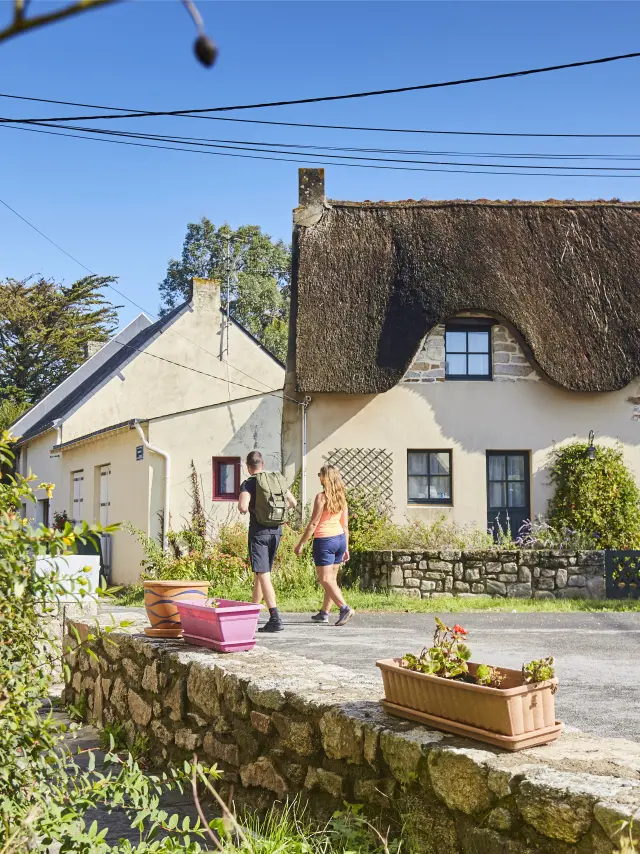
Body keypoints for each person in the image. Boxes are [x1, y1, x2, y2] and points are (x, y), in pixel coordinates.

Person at [238, 450, 296, 633]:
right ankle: (252, 616)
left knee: (263, 574)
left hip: (259, 533)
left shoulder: (248, 483)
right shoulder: (275, 480)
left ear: (248, 467)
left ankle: (275, 617)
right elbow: (293, 502)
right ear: (262, 465)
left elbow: (242, 507)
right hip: (276, 532)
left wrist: (251, 508)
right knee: (260, 574)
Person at [294, 464, 355, 627]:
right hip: (340, 539)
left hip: (325, 541)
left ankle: (344, 608)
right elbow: (345, 525)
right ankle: (324, 613)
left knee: (325, 579)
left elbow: (313, 524)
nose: (318, 477)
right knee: (332, 579)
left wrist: (301, 544)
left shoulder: (321, 498)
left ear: (325, 478)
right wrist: (346, 547)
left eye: (320, 474)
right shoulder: (341, 496)